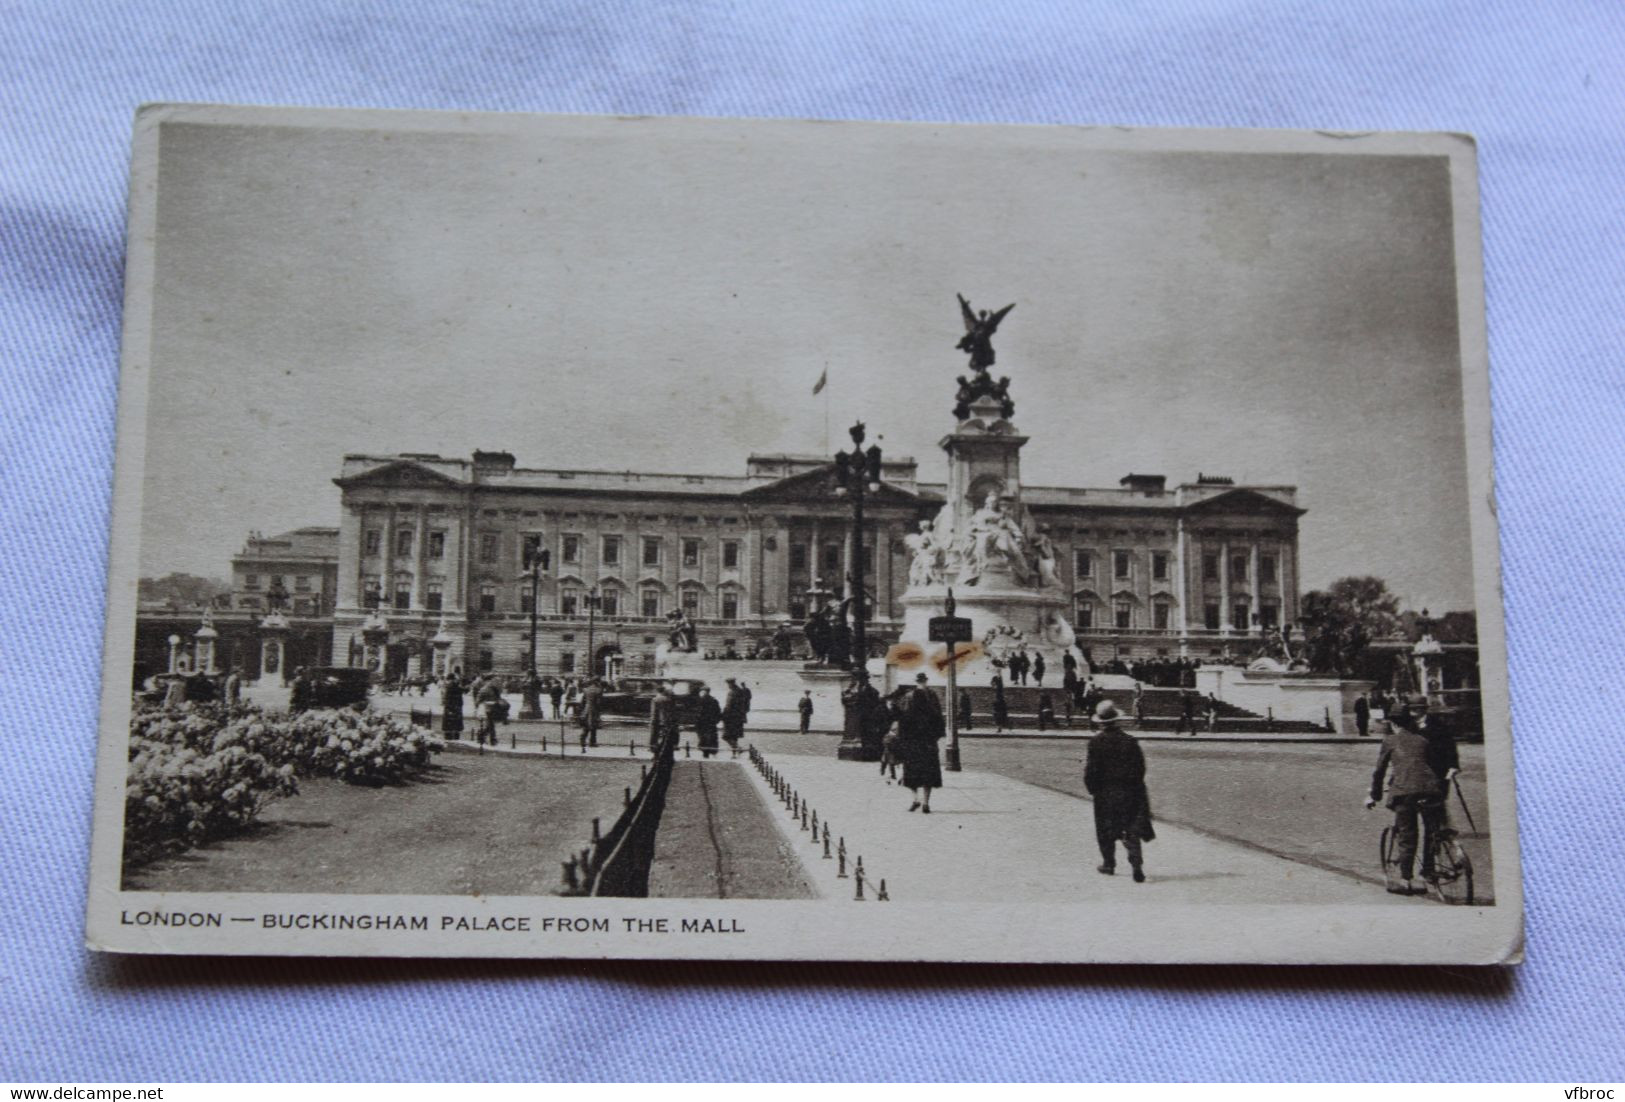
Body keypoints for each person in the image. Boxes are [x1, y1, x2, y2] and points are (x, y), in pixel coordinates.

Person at [1366, 692, 1460, 893]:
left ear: (1392, 723)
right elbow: (1418, 763)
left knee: (1408, 835)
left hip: (1406, 790)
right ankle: (1431, 868)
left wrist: (1374, 795)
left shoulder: (1390, 740)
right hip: (1431, 788)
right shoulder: (1421, 739)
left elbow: (1380, 771)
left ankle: (1406, 881)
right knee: (1432, 830)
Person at [1083, 701, 1153, 882]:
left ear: (1100, 722)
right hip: (1129, 791)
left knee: (1105, 830)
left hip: (1106, 793)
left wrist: (1093, 789)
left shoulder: (1095, 742)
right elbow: (1140, 768)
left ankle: (1109, 864)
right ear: (1117, 720)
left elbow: (1091, 771)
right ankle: (1136, 864)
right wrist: (1135, 786)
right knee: (1130, 828)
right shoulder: (1130, 741)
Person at [897, 673, 946, 812]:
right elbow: (938, 718)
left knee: (912, 773)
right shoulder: (931, 696)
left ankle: (918, 800)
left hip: (915, 741)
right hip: (926, 741)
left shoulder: (909, 697)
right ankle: (923, 802)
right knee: (927, 774)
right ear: (925, 681)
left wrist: (903, 738)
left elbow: (903, 719)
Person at [475, 676, 504, 747]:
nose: (492, 682)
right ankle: (492, 740)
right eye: (491, 681)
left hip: (494, 709)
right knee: (491, 725)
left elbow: (498, 698)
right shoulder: (483, 690)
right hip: (487, 709)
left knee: (490, 725)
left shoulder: (494, 689)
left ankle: (481, 736)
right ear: (486, 681)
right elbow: (478, 701)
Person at [650, 682, 679, 752]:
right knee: (667, 735)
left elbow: (654, 712)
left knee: (655, 734)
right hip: (668, 720)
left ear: (657, 691)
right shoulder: (668, 700)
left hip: (658, 720)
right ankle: (670, 746)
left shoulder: (655, 700)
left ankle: (653, 747)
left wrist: (652, 721)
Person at [694, 686, 722, 756]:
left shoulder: (700, 700)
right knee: (711, 737)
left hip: (702, 722)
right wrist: (716, 720)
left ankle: (705, 752)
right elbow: (718, 712)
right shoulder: (714, 700)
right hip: (711, 722)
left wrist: (696, 721)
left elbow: (697, 712)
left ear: (704, 691)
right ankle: (712, 751)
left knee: (703, 737)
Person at [722, 677, 748, 751]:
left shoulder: (732, 692)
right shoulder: (740, 691)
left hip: (731, 718)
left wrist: (723, 715)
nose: (728, 686)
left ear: (731, 684)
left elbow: (728, 706)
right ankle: (735, 751)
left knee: (726, 736)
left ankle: (737, 749)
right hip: (738, 718)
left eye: (728, 684)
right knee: (734, 736)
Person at [578, 677, 604, 749]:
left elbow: (582, 701)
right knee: (594, 726)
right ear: (597, 682)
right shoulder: (599, 690)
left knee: (586, 726)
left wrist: (582, 710)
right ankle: (592, 742)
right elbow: (599, 702)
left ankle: (583, 739)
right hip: (594, 710)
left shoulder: (586, 690)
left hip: (586, 710)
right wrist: (600, 711)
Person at [440, 672, 465, 740]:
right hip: (454, 708)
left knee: (449, 726)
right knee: (455, 726)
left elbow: (446, 699)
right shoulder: (453, 686)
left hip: (451, 708)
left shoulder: (449, 686)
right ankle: (454, 739)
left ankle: (449, 739)